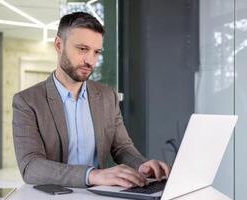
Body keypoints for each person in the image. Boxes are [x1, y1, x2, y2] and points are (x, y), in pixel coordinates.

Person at [12, 12, 170, 188]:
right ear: (59, 45)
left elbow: (122, 148)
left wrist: (142, 165)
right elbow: (31, 166)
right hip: (54, 195)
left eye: (96, 52)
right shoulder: (27, 101)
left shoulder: (107, 96)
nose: (90, 61)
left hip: (99, 195)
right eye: (82, 49)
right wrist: (92, 175)